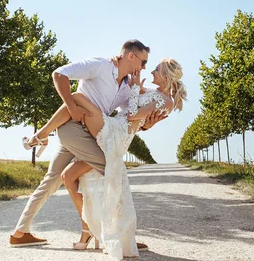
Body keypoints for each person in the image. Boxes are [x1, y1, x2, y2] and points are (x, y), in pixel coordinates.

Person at [10, 40, 165, 250]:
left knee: (51, 181)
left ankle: (19, 233)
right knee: (113, 170)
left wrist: (148, 125)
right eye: (143, 61)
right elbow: (59, 74)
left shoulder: (127, 87)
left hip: (89, 134)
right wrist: (72, 107)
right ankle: (117, 236)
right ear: (131, 56)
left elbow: (130, 117)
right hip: (73, 129)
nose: (144, 67)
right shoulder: (100, 65)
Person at [54, 58, 186, 260]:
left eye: (157, 70)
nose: (151, 72)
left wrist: (134, 90)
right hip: (114, 127)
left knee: (77, 98)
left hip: (117, 133)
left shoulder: (166, 102)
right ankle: (91, 229)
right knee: (69, 176)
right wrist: (135, 91)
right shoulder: (151, 92)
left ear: (167, 75)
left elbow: (133, 115)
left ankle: (41, 136)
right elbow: (134, 111)